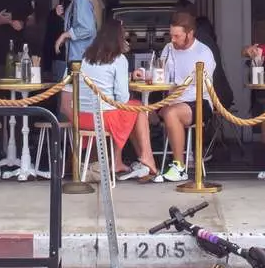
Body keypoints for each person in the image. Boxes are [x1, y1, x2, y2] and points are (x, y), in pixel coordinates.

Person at [74, 17, 158, 181]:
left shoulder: (86, 58)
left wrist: (126, 77)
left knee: (128, 109)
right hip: (103, 119)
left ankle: (118, 162)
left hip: (82, 118)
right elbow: (122, 97)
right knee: (138, 108)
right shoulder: (119, 59)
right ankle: (147, 157)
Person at [154, 9, 216, 183]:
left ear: (190, 34)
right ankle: (146, 162)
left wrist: (177, 91)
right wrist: (144, 74)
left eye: (177, 36)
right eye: (171, 35)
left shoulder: (204, 53)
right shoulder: (168, 48)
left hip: (199, 101)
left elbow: (203, 85)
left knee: (170, 113)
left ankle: (179, 166)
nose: (172, 40)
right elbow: (161, 74)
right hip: (172, 100)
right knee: (141, 111)